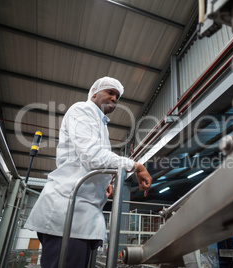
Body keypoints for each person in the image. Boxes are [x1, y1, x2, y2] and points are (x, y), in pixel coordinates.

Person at [24, 77, 152, 268]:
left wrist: (104, 181)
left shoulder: (100, 123)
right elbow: (93, 157)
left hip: (81, 217)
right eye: (110, 92)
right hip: (68, 214)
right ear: (94, 93)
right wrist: (136, 166)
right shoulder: (82, 110)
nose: (115, 98)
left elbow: (88, 159)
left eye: (117, 96)